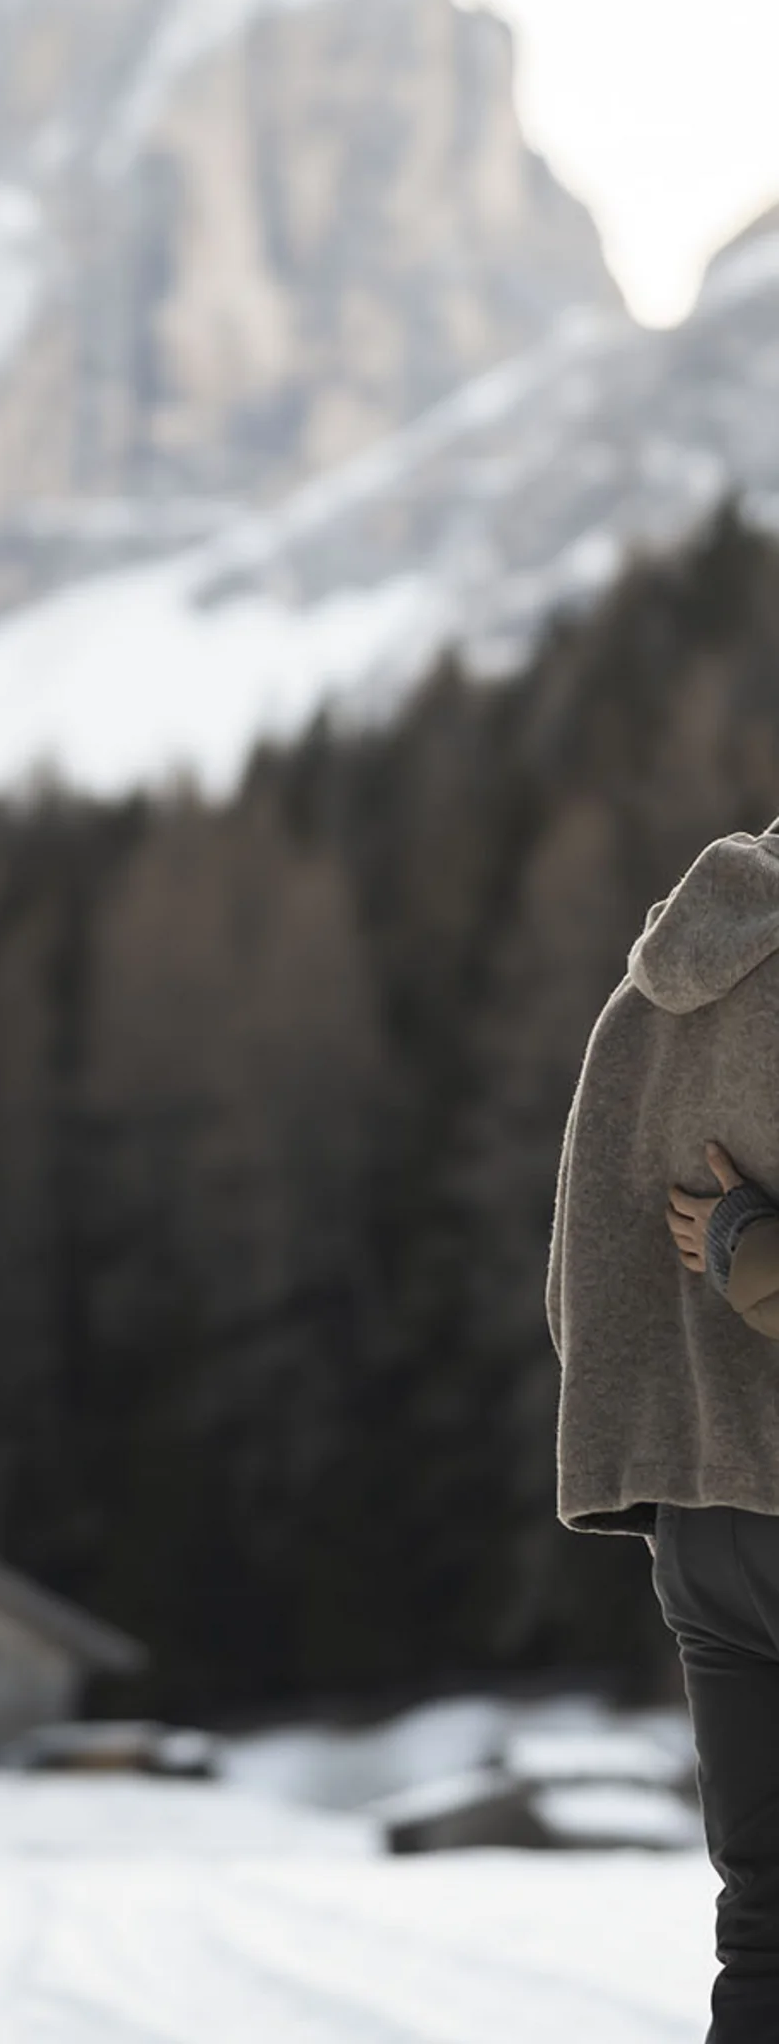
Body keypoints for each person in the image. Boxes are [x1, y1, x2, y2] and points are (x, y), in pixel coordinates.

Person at [549, 822, 779, 2044]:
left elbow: (580, 1267)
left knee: (762, 1933)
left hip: (704, 1529)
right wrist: (753, 1253)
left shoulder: (650, 993)